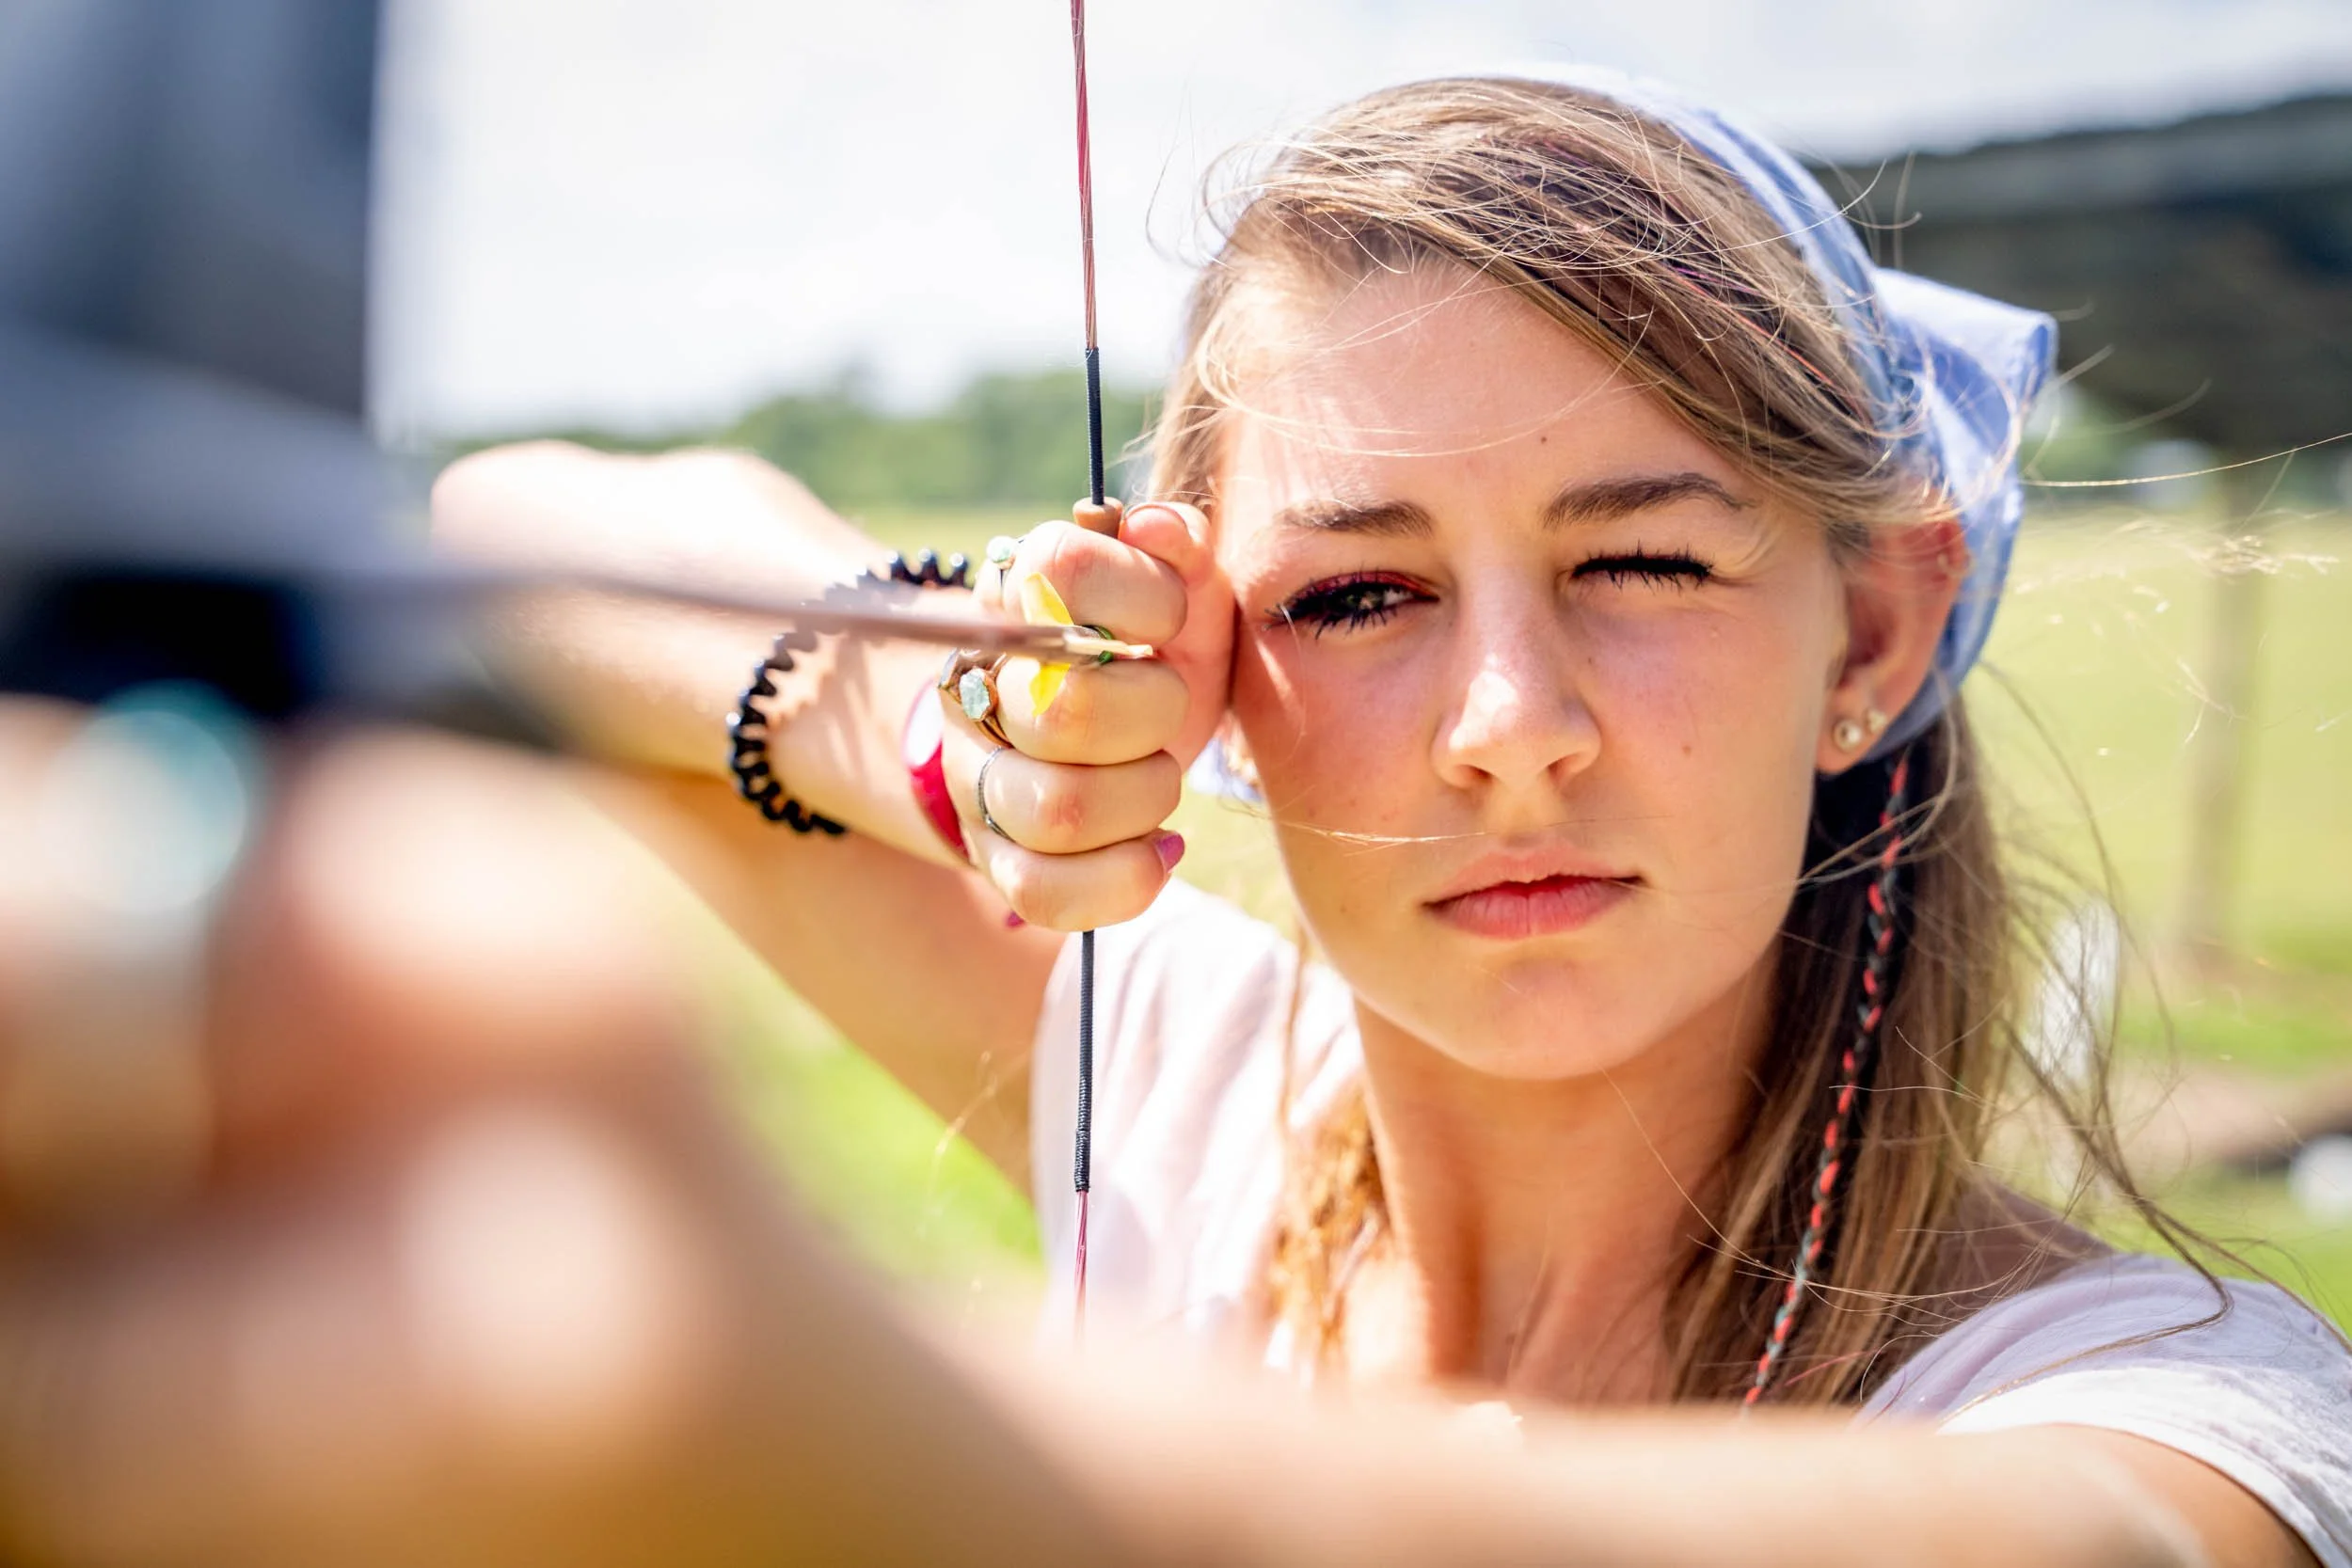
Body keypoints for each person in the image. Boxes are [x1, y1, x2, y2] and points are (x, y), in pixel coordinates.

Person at [7, 67, 2344, 1566]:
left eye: (1642, 558)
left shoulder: (2182, 1414)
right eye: (1355, 591)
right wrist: (916, 720)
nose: (1504, 726)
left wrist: (764, 1407)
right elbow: (531, 527)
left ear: (1867, 630)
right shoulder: (1185, 1076)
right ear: (1205, 661)